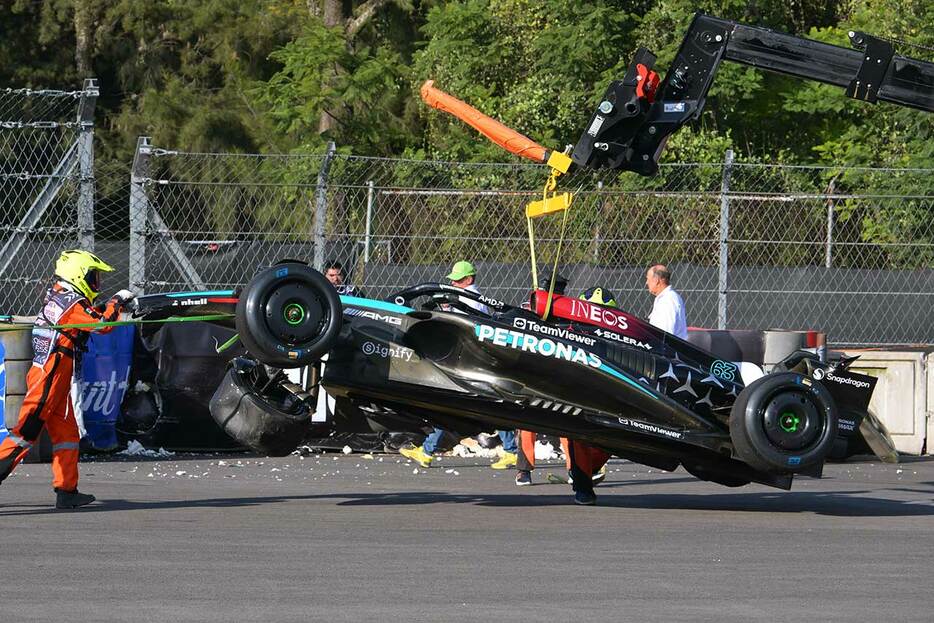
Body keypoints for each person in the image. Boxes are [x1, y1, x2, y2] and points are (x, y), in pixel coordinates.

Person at [0, 250, 135, 509]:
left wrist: (115, 306)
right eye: (93, 277)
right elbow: (102, 324)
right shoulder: (70, 302)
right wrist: (118, 301)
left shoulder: (64, 296)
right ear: (78, 275)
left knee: (67, 434)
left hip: (56, 375)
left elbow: (89, 317)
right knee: (25, 434)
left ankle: (67, 491)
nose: (97, 282)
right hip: (50, 376)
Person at [400, 260, 489, 467]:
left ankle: (427, 451)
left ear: (468, 279)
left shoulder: (470, 299)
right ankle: (511, 449)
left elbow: (461, 327)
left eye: (458, 280)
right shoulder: (472, 297)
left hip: (463, 359)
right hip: (469, 358)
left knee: (448, 403)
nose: (455, 284)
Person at [645, 264, 688, 339]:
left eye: (648, 279)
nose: (646, 283)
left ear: (656, 281)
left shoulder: (667, 301)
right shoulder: (666, 298)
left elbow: (665, 334)